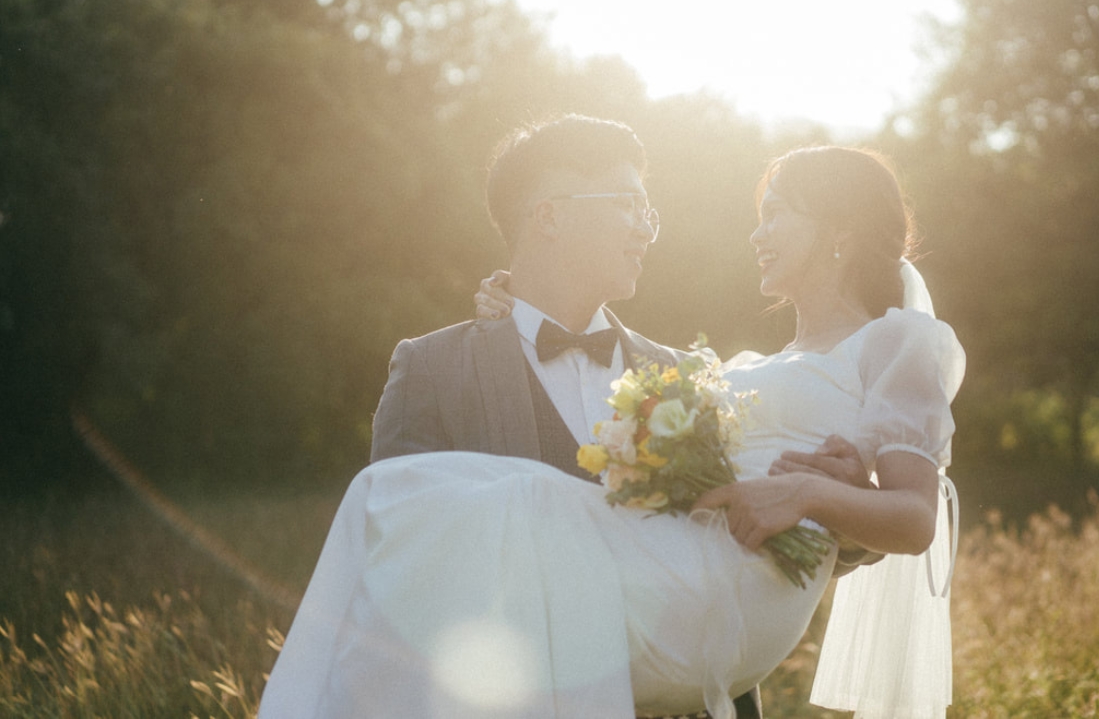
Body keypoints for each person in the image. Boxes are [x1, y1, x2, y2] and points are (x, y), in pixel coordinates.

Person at [258, 140, 963, 719]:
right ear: (549, 217)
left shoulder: (684, 370)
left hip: (696, 642)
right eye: (627, 205)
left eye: (647, 210)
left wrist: (827, 497)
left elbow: (818, 507)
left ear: (837, 230)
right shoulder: (439, 367)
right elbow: (403, 571)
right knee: (394, 497)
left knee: (524, 501)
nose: (645, 227)